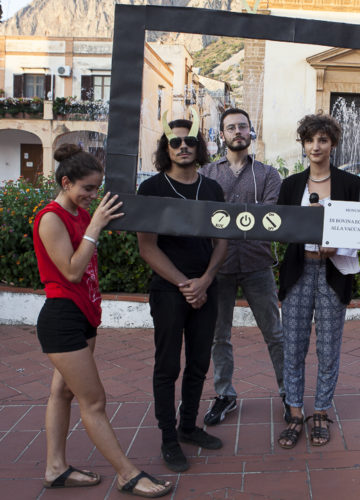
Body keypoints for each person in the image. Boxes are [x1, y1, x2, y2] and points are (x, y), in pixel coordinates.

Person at [33, 144, 171, 497]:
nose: (93, 197)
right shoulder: (51, 218)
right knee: (93, 401)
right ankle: (127, 473)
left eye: (97, 189)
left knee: (62, 392)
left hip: (83, 315)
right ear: (66, 182)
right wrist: (95, 225)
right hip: (62, 317)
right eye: (88, 189)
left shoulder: (79, 214)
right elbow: (72, 270)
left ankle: (55, 468)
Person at [137, 113, 228, 473]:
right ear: (166, 148)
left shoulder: (212, 189)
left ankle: (188, 427)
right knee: (167, 366)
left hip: (205, 287)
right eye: (175, 142)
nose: (184, 146)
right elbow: (147, 247)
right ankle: (168, 438)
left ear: (199, 146)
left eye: (189, 141)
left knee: (200, 363)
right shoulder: (152, 189)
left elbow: (223, 240)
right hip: (169, 290)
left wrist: (204, 280)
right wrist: (184, 284)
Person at [276, 112, 360, 449]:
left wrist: (337, 244)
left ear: (333, 143)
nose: (316, 146)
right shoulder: (291, 185)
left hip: (333, 274)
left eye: (322, 140)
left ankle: (321, 411)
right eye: (310, 140)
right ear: (303, 144)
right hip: (298, 272)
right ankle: (295, 412)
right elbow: (280, 228)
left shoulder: (350, 184)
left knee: (328, 349)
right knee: (293, 347)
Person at [200, 108, 288, 426]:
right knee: (218, 336)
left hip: (257, 264)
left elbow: (269, 217)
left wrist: (226, 215)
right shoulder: (207, 174)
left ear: (251, 132)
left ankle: (288, 393)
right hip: (218, 266)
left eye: (243, 127)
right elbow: (202, 216)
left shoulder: (268, 174)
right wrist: (245, 215)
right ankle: (225, 394)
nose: (237, 131)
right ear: (221, 135)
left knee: (275, 334)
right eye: (231, 127)